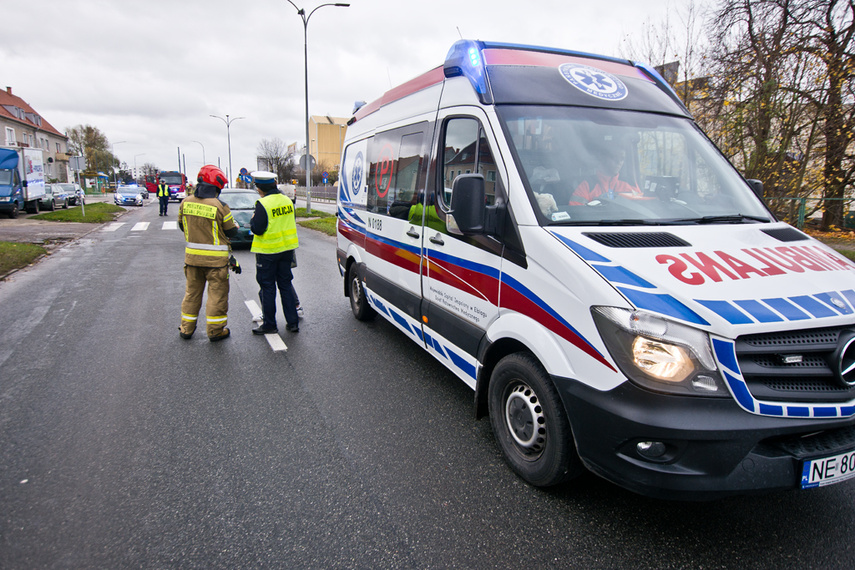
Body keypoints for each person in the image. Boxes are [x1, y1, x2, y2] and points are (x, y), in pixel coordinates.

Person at [177, 165, 238, 342]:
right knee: (217, 296)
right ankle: (215, 331)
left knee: (191, 294)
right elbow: (231, 231)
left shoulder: (185, 202)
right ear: (216, 187)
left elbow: (182, 226)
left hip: (192, 260)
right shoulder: (220, 206)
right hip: (216, 263)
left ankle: (186, 329)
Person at [250, 171, 300, 335]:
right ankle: (293, 323)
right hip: (286, 250)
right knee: (285, 285)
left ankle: (270, 324)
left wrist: (252, 220)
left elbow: (257, 229)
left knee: (268, 287)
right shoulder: (287, 200)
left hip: (268, 252)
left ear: (260, 188)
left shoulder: (263, 204)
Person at [569, 146, 642, 205]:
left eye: (622, 159)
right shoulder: (587, 185)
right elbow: (576, 212)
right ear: (604, 159)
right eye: (615, 157)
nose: (619, 162)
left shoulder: (630, 184)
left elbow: (640, 209)